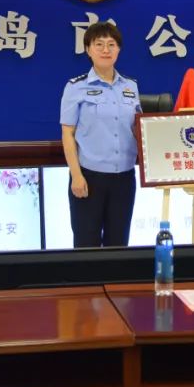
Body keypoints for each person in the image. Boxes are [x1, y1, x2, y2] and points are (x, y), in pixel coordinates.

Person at [59, 22, 141, 247]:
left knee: (119, 244)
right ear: (88, 49)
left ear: (119, 49)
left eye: (111, 44)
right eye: (99, 44)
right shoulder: (75, 87)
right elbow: (67, 133)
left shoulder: (130, 87)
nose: (106, 50)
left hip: (124, 178)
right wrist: (76, 175)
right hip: (89, 178)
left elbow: (138, 129)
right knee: (87, 245)